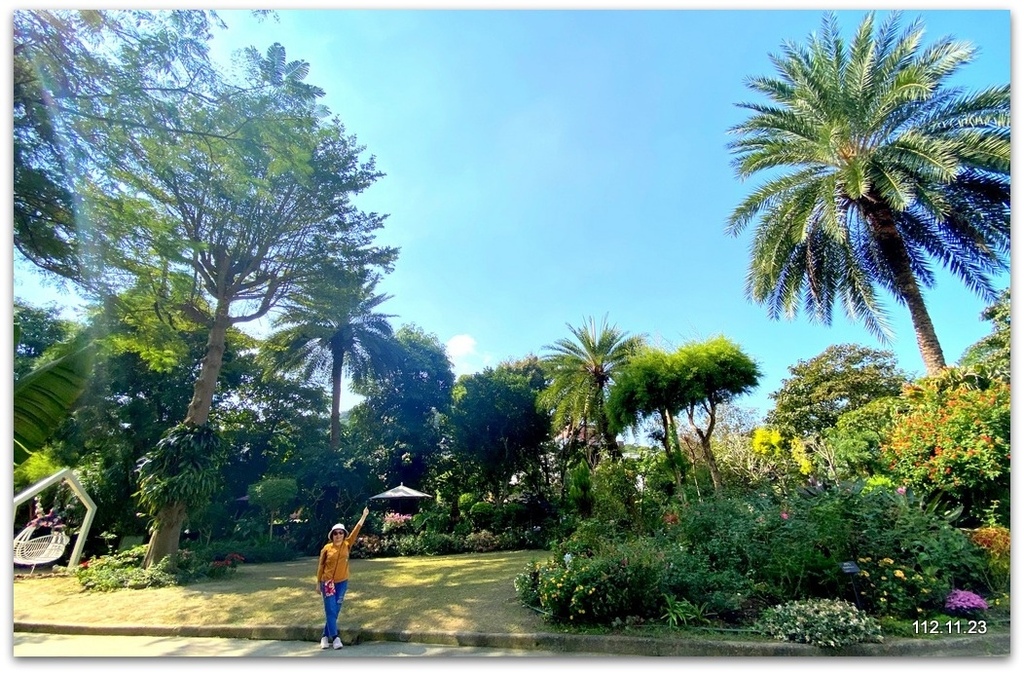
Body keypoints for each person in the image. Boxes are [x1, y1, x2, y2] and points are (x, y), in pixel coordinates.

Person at [315, 506, 369, 650]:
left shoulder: (347, 544)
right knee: (330, 609)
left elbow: (356, 530)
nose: (338, 535)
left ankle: (324, 636)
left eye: (340, 533)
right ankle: (336, 638)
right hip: (327, 582)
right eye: (335, 533)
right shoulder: (327, 548)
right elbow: (321, 566)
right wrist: (318, 583)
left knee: (336, 610)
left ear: (344, 535)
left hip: (342, 582)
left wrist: (363, 516)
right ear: (332, 535)